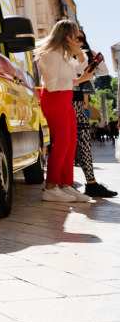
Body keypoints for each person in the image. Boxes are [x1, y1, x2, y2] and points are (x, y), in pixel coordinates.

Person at [34, 20, 94, 202]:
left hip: (66, 100)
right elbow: (52, 85)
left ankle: (65, 185)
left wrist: (79, 53)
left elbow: (80, 68)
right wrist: (80, 80)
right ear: (67, 36)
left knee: (70, 143)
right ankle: (50, 187)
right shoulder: (50, 55)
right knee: (61, 143)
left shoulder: (65, 55)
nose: (78, 41)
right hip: (55, 99)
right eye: (75, 37)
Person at [72, 30, 116, 198]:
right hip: (66, 102)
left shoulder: (85, 56)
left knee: (84, 143)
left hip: (80, 103)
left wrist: (92, 54)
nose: (79, 40)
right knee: (67, 145)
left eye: (82, 38)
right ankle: (66, 183)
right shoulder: (65, 56)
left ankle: (91, 183)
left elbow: (103, 72)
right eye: (76, 37)